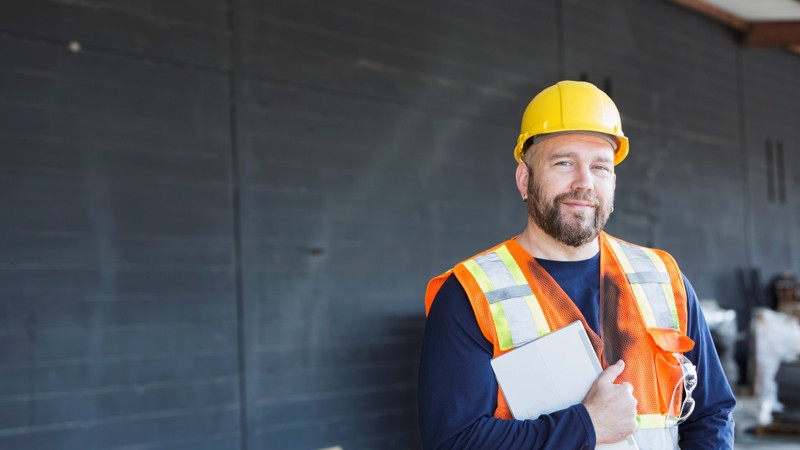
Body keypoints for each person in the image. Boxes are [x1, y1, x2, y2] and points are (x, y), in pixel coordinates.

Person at [417, 80, 735, 449]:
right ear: (525, 180)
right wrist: (585, 426)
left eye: (600, 166)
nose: (584, 183)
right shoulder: (471, 294)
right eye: (564, 162)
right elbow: (453, 441)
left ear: (613, 181)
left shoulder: (662, 278)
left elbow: (711, 413)